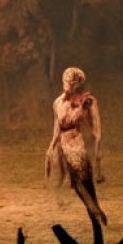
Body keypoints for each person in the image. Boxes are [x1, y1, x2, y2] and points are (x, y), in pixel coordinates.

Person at [46, 67, 105, 226]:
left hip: (80, 142)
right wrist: (51, 148)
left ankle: (96, 212)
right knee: (76, 182)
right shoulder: (58, 102)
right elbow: (57, 126)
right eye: (66, 80)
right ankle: (95, 211)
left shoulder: (88, 101)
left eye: (73, 82)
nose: (69, 84)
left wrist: (97, 154)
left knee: (86, 182)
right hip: (64, 144)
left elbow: (96, 128)